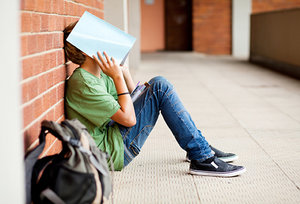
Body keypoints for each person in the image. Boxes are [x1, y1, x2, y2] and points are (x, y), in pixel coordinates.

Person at [63, 22, 246, 177]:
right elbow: (129, 118)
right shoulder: (84, 82)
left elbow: (134, 100)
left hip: (114, 134)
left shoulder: (99, 75)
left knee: (157, 87)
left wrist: (124, 75)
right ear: (87, 50)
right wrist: (118, 78)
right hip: (111, 152)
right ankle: (202, 157)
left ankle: (200, 148)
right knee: (160, 86)